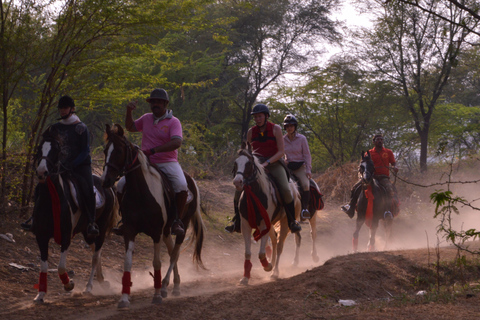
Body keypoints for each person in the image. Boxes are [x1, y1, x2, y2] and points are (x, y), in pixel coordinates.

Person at [21, 95, 100, 237]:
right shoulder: (55, 128)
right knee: (40, 187)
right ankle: (34, 218)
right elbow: (47, 145)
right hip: (59, 166)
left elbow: (85, 151)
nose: (62, 111)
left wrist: (73, 164)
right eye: (60, 108)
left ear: (72, 109)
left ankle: (90, 222)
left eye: (65, 108)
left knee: (87, 189)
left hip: (81, 165)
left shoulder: (81, 128)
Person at [225, 104, 302, 234]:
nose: (258, 119)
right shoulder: (251, 132)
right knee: (238, 190)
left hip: (274, 163)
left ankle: (291, 221)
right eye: (255, 117)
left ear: (266, 116)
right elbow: (247, 151)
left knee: (285, 188)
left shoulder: (276, 129)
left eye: (260, 116)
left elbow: (281, 152)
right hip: (255, 166)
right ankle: (237, 221)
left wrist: (267, 162)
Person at [125, 88, 188, 237]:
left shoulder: (174, 121)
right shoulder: (146, 118)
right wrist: (129, 112)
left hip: (168, 162)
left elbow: (177, 142)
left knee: (181, 185)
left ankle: (177, 221)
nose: (156, 104)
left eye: (159, 101)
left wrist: (154, 150)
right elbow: (130, 127)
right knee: (122, 184)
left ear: (165, 103)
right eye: (153, 101)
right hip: (145, 162)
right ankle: (125, 220)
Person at [341, 133, 399, 219]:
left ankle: (388, 211)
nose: (380, 141)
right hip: (371, 177)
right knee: (355, 187)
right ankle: (351, 207)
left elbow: (393, 163)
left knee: (389, 189)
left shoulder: (388, 152)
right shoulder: (369, 153)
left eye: (381, 139)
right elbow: (363, 164)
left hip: (383, 177)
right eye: (377, 140)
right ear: (374, 142)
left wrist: (395, 167)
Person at [283, 114, 313, 220]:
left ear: (295, 126)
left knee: (305, 184)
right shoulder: (282, 139)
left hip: (300, 167)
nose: (289, 128)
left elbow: (307, 155)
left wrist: (308, 169)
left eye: (291, 126)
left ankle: (304, 209)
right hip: (288, 167)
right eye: (287, 126)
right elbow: (281, 153)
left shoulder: (302, 138)